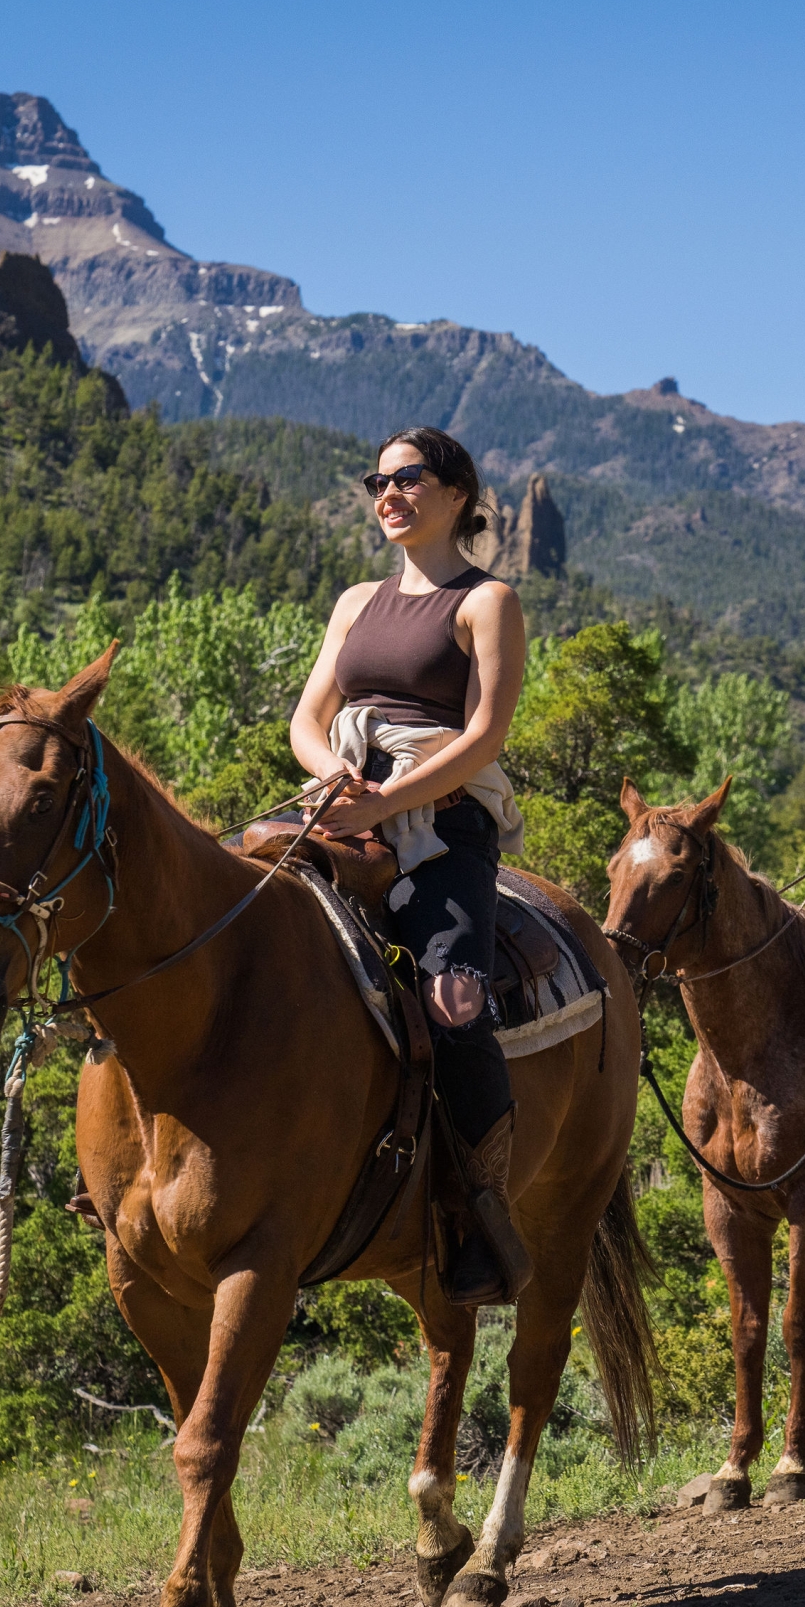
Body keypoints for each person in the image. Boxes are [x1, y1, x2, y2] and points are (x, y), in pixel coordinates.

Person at [289, 426, 533, 1305]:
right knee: (231, 920)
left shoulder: (485, 601)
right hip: (344, 801)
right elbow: (307, 720)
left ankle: (483, 1211)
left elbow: (484, 736)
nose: (387, 493)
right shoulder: (356, 600)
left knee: (454, 1002)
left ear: (459, 493)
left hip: (443, 822)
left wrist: (387, 803)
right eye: (376, 480)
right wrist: (337, 779)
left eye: (407, 478)